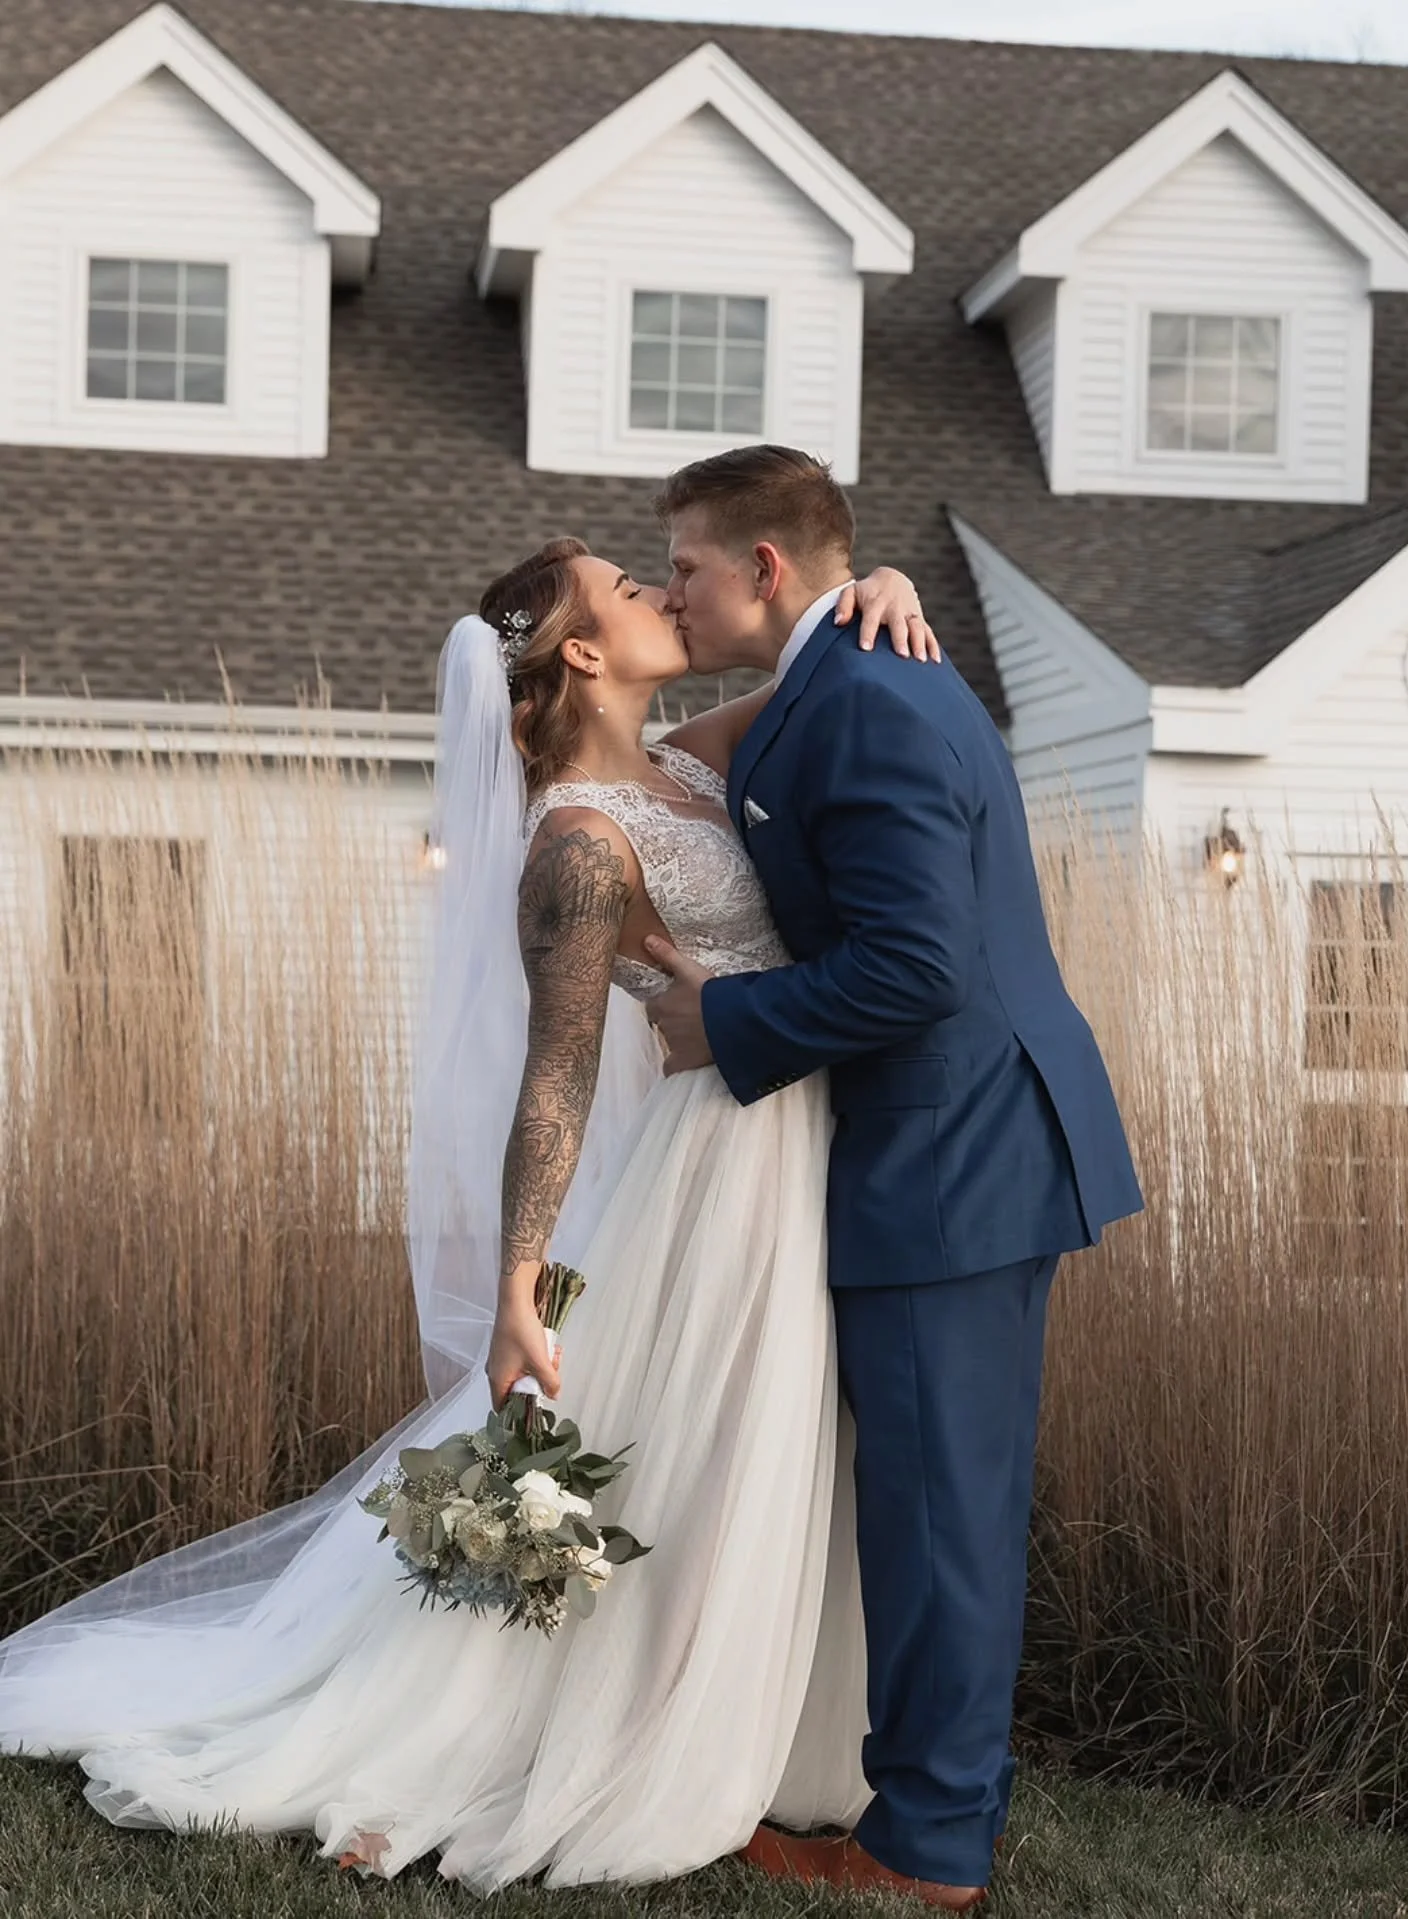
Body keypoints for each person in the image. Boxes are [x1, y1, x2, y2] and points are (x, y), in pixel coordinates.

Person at [0, 539, 935, 1891]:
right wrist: (518, 1285)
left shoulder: (686, 765)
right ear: (585, 652)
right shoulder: (576, 847)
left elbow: (812, 671)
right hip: (721, 1166)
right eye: (631, 589)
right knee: (705, 1450)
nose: (663, 593)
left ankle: (754, 1720)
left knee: (759, 1447)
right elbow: (555, 1079)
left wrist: (880, 588)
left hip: (803, 1141)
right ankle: (600, 1739)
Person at [646, 444, 1144, 1912]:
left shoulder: (866, 696)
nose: (672, 590)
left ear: (764, 568)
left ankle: (925, 1850)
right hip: (959, 1146)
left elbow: (920, 966)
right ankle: (930, 1809)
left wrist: (724, 1022)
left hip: (954, 1155)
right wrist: (882, 579)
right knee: (939, 1509)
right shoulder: (851, 673)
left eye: (685, 564)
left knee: (942, 1519)